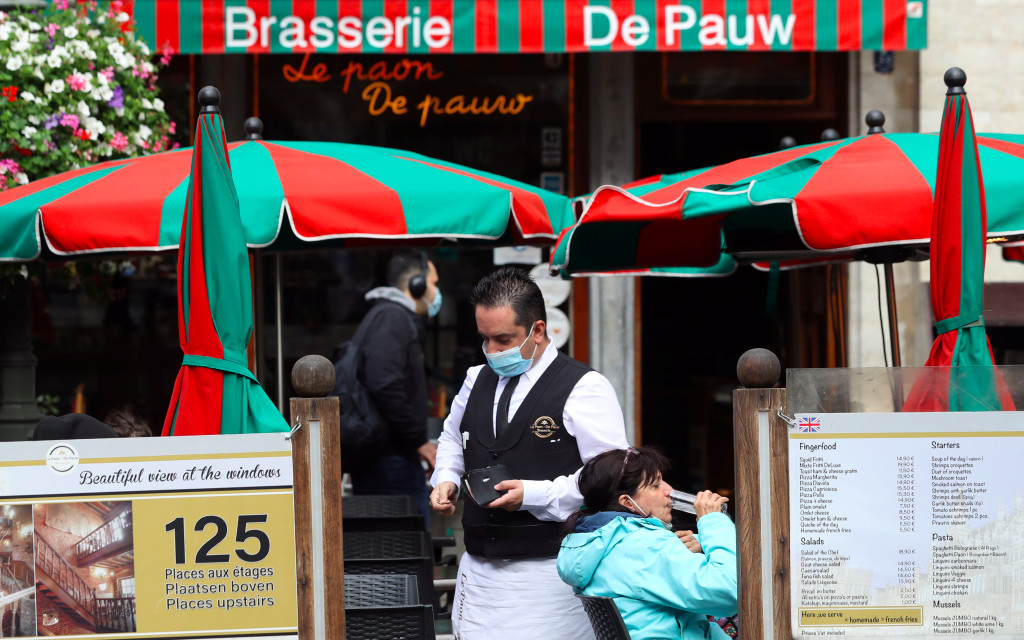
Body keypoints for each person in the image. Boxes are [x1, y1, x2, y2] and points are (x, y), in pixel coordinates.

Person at [429, 266, 628, 639]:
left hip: (549, 578)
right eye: (485, 339)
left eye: (503, 339)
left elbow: (609, 477)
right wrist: (446, 478)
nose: (492, 350)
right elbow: (453, 438)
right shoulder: (475, 379)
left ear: (538, 330)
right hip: (477, 573)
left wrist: (533, 494)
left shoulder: (585, 387)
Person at [556, 447, 738, 640]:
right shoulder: (642, 545)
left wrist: (702, 544)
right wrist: (713, 521)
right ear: (627, 502)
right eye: (655, 485)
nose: (669, 490)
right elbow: (729, 592)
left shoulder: (602, 542)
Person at [348, 250, 441, 522]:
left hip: (390, 456)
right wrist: (419, 441)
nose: (436, 292)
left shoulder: (388, 316)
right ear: (417, 285)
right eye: (434, 283)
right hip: (389, 460)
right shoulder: (392, 318)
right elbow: (385, 384)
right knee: (405, 546)